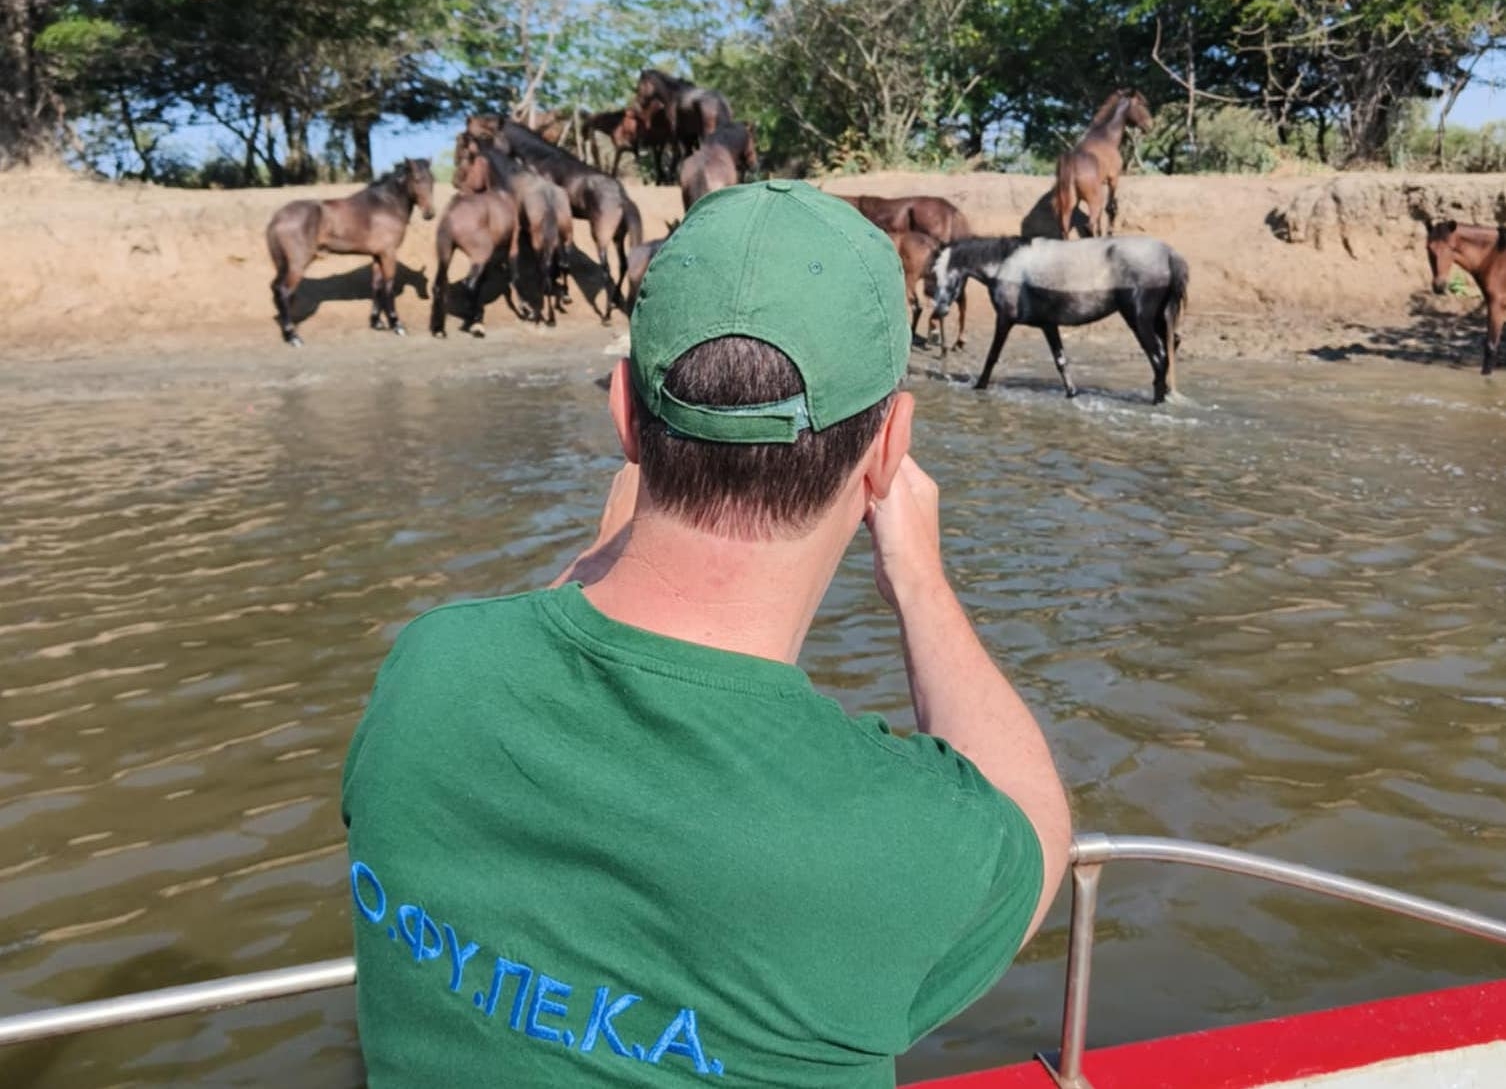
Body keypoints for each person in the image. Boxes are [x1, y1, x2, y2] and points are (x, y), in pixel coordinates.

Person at [342, 180, 1072, 1087]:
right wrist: (919, 580)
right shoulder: (895, 842)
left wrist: (602, 553)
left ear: (623, 412)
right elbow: (1036, 825)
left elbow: (537, 658)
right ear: (890, 450)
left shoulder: (426, 672)